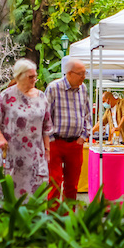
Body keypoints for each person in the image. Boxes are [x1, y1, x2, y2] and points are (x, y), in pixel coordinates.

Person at [0, 59, 53, 199]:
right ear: (19, 76)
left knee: (35, 195)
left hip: (34, 155)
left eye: (35, 76)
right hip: (11, 154)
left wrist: (47, 150)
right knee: (9, 195)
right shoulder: (6, 96)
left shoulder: (41, 97)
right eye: (30, 77)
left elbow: (46, 127)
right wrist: (0, 137)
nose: (34, 79)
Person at [45, 58, 91, 201]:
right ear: (69, 73)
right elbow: (44, 116)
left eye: (85, 73)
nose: (84, 77)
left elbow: (88, 114)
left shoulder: (83, 89)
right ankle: (52, 218)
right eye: (81, 74)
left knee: (73, 185)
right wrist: (50, 139)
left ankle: (67, 218)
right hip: (56, 142)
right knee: (54, 182)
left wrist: (84, 135)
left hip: (75, 143)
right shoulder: (53, 88)